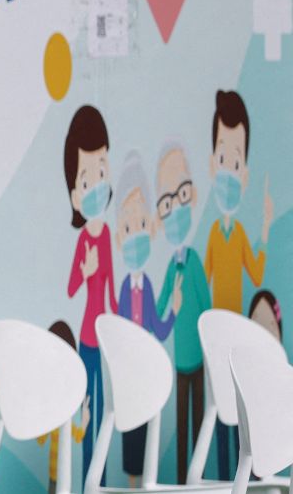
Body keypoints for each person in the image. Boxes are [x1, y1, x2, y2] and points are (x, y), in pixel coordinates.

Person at [203, 90, 274, 479]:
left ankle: (241, 475)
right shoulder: (215, 233)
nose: (228, 172)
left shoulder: (242, 235)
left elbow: (257, 274)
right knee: (219, 410)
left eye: (235, 162)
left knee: (241, 413)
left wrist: (264, 229)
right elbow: (207, 278)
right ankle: (222, 476)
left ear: (244, 173)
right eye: (223, 160)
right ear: (212, 165)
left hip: (238, 339)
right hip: (216, 337)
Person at [113, 150, 174, 487]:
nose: (135, 235)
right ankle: (133, 486)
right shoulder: (125, 288)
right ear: (119, 236)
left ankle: (145, 485)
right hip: (129, 376)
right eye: (128, 226)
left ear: (150, 228)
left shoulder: (147, 287)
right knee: (131, 437)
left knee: (148, 433)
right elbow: (119, 330)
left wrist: (173, 308)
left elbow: (158, 327)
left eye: (140, 224)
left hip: (146, 373)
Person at [63, 105, 117, 484]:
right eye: (87, 178)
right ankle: (88, 482)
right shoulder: (83, 240)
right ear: (75, 196)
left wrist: (118, 323)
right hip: (86, 338)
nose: (97, 183)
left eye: (101, 170)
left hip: (104, 336)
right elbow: (71, 287)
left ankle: (102, 481)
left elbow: (111, 287)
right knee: (88, 410)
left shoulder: (108, 236)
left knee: (106, 411)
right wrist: (83, 271)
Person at [153, 137, 211, 484]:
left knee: (199, 423)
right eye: (166, 204)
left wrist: (210, 348)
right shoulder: (170, 270)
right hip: (179, 361)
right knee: (182, 420)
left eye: (181, 196)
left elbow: (207, 308)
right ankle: (179, 482)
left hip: (198, 360)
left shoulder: (194, 263)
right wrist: (170, 309)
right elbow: (159, 310)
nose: (175, 210)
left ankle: (198, 480)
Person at [38, 321, 91, 494]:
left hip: (62, 475)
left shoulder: (64, 411)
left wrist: (84, 421)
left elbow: (76, 436)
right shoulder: (53, 415)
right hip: (54, 475)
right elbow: (41, 439)